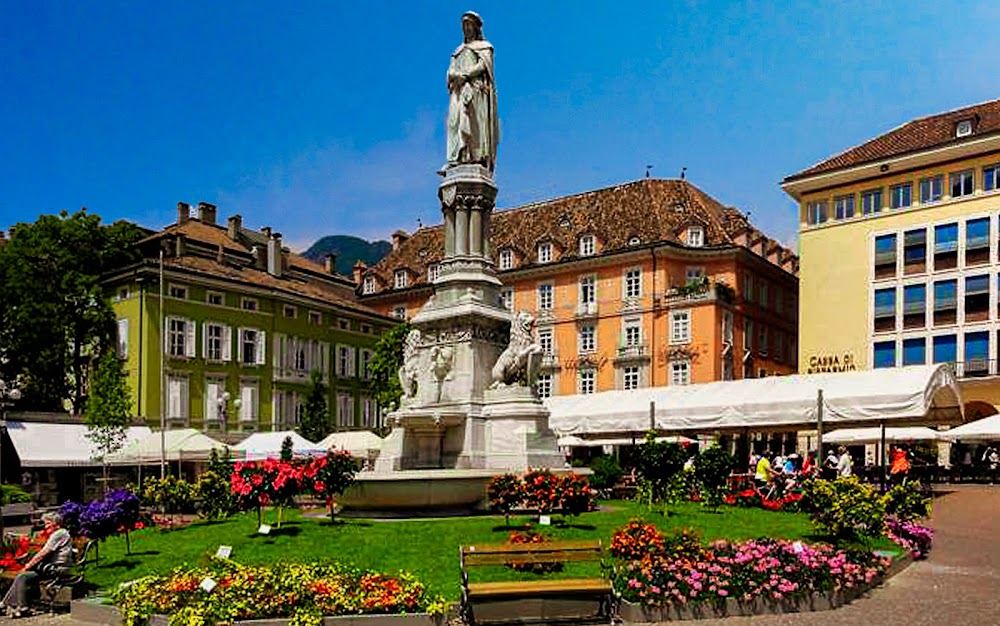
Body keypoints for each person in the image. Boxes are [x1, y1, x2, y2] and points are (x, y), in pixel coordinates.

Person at [445, 11, 500, 173]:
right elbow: (450, 70)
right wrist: (456, 75)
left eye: (470, 25)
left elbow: (484, 66)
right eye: (464, 25)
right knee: (455, 122)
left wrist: (466, 74)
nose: (467, 29)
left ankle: (474, 157)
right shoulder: (458, 50)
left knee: (472, 122)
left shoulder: (484, 47)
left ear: (476, 27)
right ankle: (458, 158)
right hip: (458, 91)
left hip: (475, 90)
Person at [2, 512, 73, 618]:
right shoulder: (60, 533)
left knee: (23, 576)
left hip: (57, 569)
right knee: (23, 576)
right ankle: (13, 606)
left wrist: (27, 566)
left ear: (55, 523)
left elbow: (42, 553)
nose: (45, 526)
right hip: (51, 567)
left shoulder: (59, 534)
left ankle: (18, 607)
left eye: (47, 523)